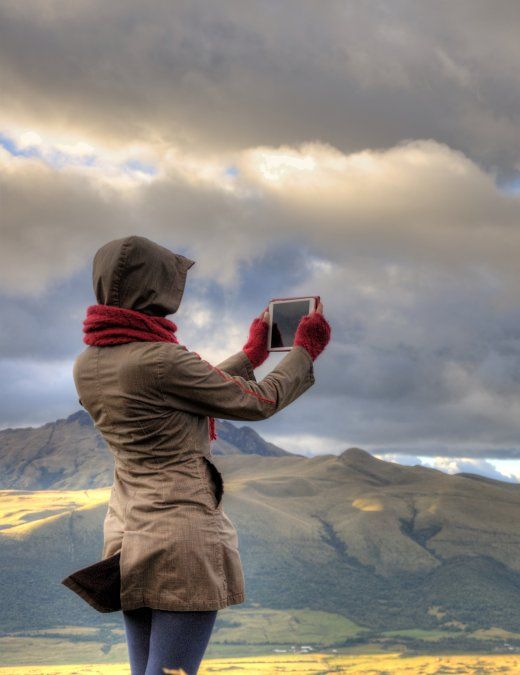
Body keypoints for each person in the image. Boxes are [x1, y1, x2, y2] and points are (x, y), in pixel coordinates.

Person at [73, 235, 331, 675]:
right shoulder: (160, 359)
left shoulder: (91, 362)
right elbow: (257, 402)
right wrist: (306, 350)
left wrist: (252, 355)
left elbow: (175, 390)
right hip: (179, 539)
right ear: (155, 288)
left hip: (129, 538)